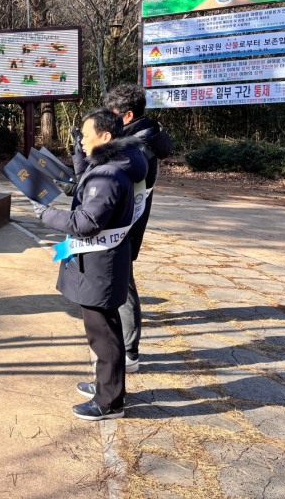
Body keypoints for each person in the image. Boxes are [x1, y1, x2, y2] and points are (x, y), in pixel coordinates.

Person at [31, 109, 147, 421]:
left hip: (99, 265)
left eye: (85, 134)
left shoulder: (108, 175)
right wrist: (78, 149)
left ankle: (109, 402)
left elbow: (87, 221)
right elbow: (85, 180)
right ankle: (106, 387)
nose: (81, 140)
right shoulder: (115, 164)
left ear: (106, 137)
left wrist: (45, 214)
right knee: (104, 330)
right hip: (103, 262)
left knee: (104, 335)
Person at [104, 84, 172, 372]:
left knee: (123, 285)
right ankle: (124, 347)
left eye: (112, 113)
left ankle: (129, 352)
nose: (106, 118)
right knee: (120, 282)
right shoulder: (138, 137)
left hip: (124, 225)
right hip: (126, 221)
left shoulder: (138, 147)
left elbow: (113, 181)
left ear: (128, 115)